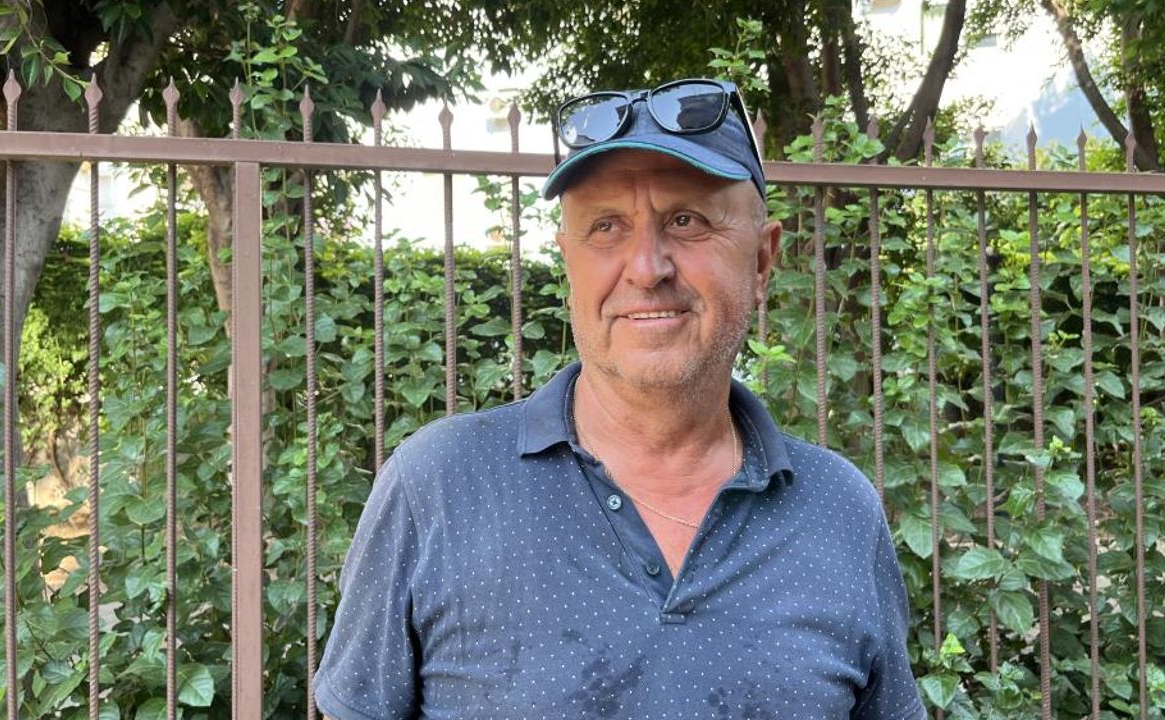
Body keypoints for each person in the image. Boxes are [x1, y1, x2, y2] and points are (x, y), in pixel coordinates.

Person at [315, 78, 927, 719]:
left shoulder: (840, 510)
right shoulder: (437, 486)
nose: (645, 267)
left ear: (761, 261)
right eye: (605, 226)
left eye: (686, 221)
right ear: (568, 262)